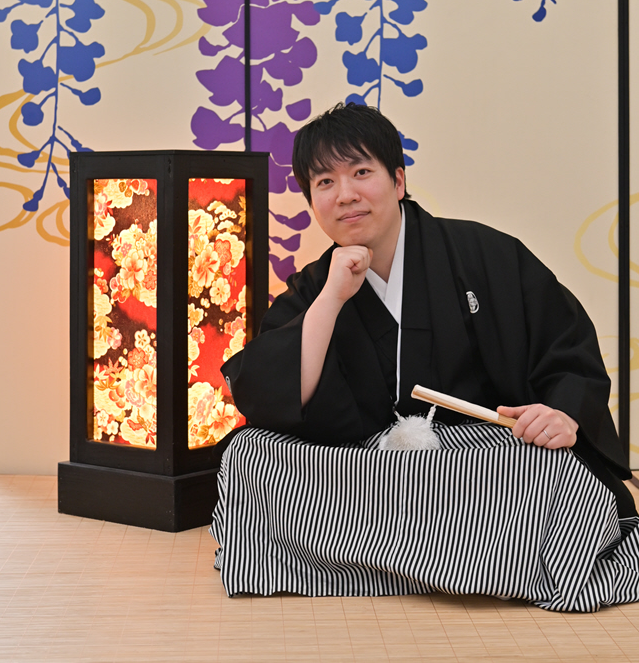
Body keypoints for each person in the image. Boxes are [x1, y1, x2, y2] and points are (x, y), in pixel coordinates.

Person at [222, 102, 634, 518]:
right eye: (325, 181)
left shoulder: (485, 255)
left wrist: (562, 415)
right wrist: (332, 299)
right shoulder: (316, 287)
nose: (346, 195)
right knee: (246, 452)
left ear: (398, 181)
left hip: (490, 466)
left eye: (361, 172)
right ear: (312, 202)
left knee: (557, 466)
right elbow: (267, 393)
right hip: (369, 476)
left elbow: (567, 350)